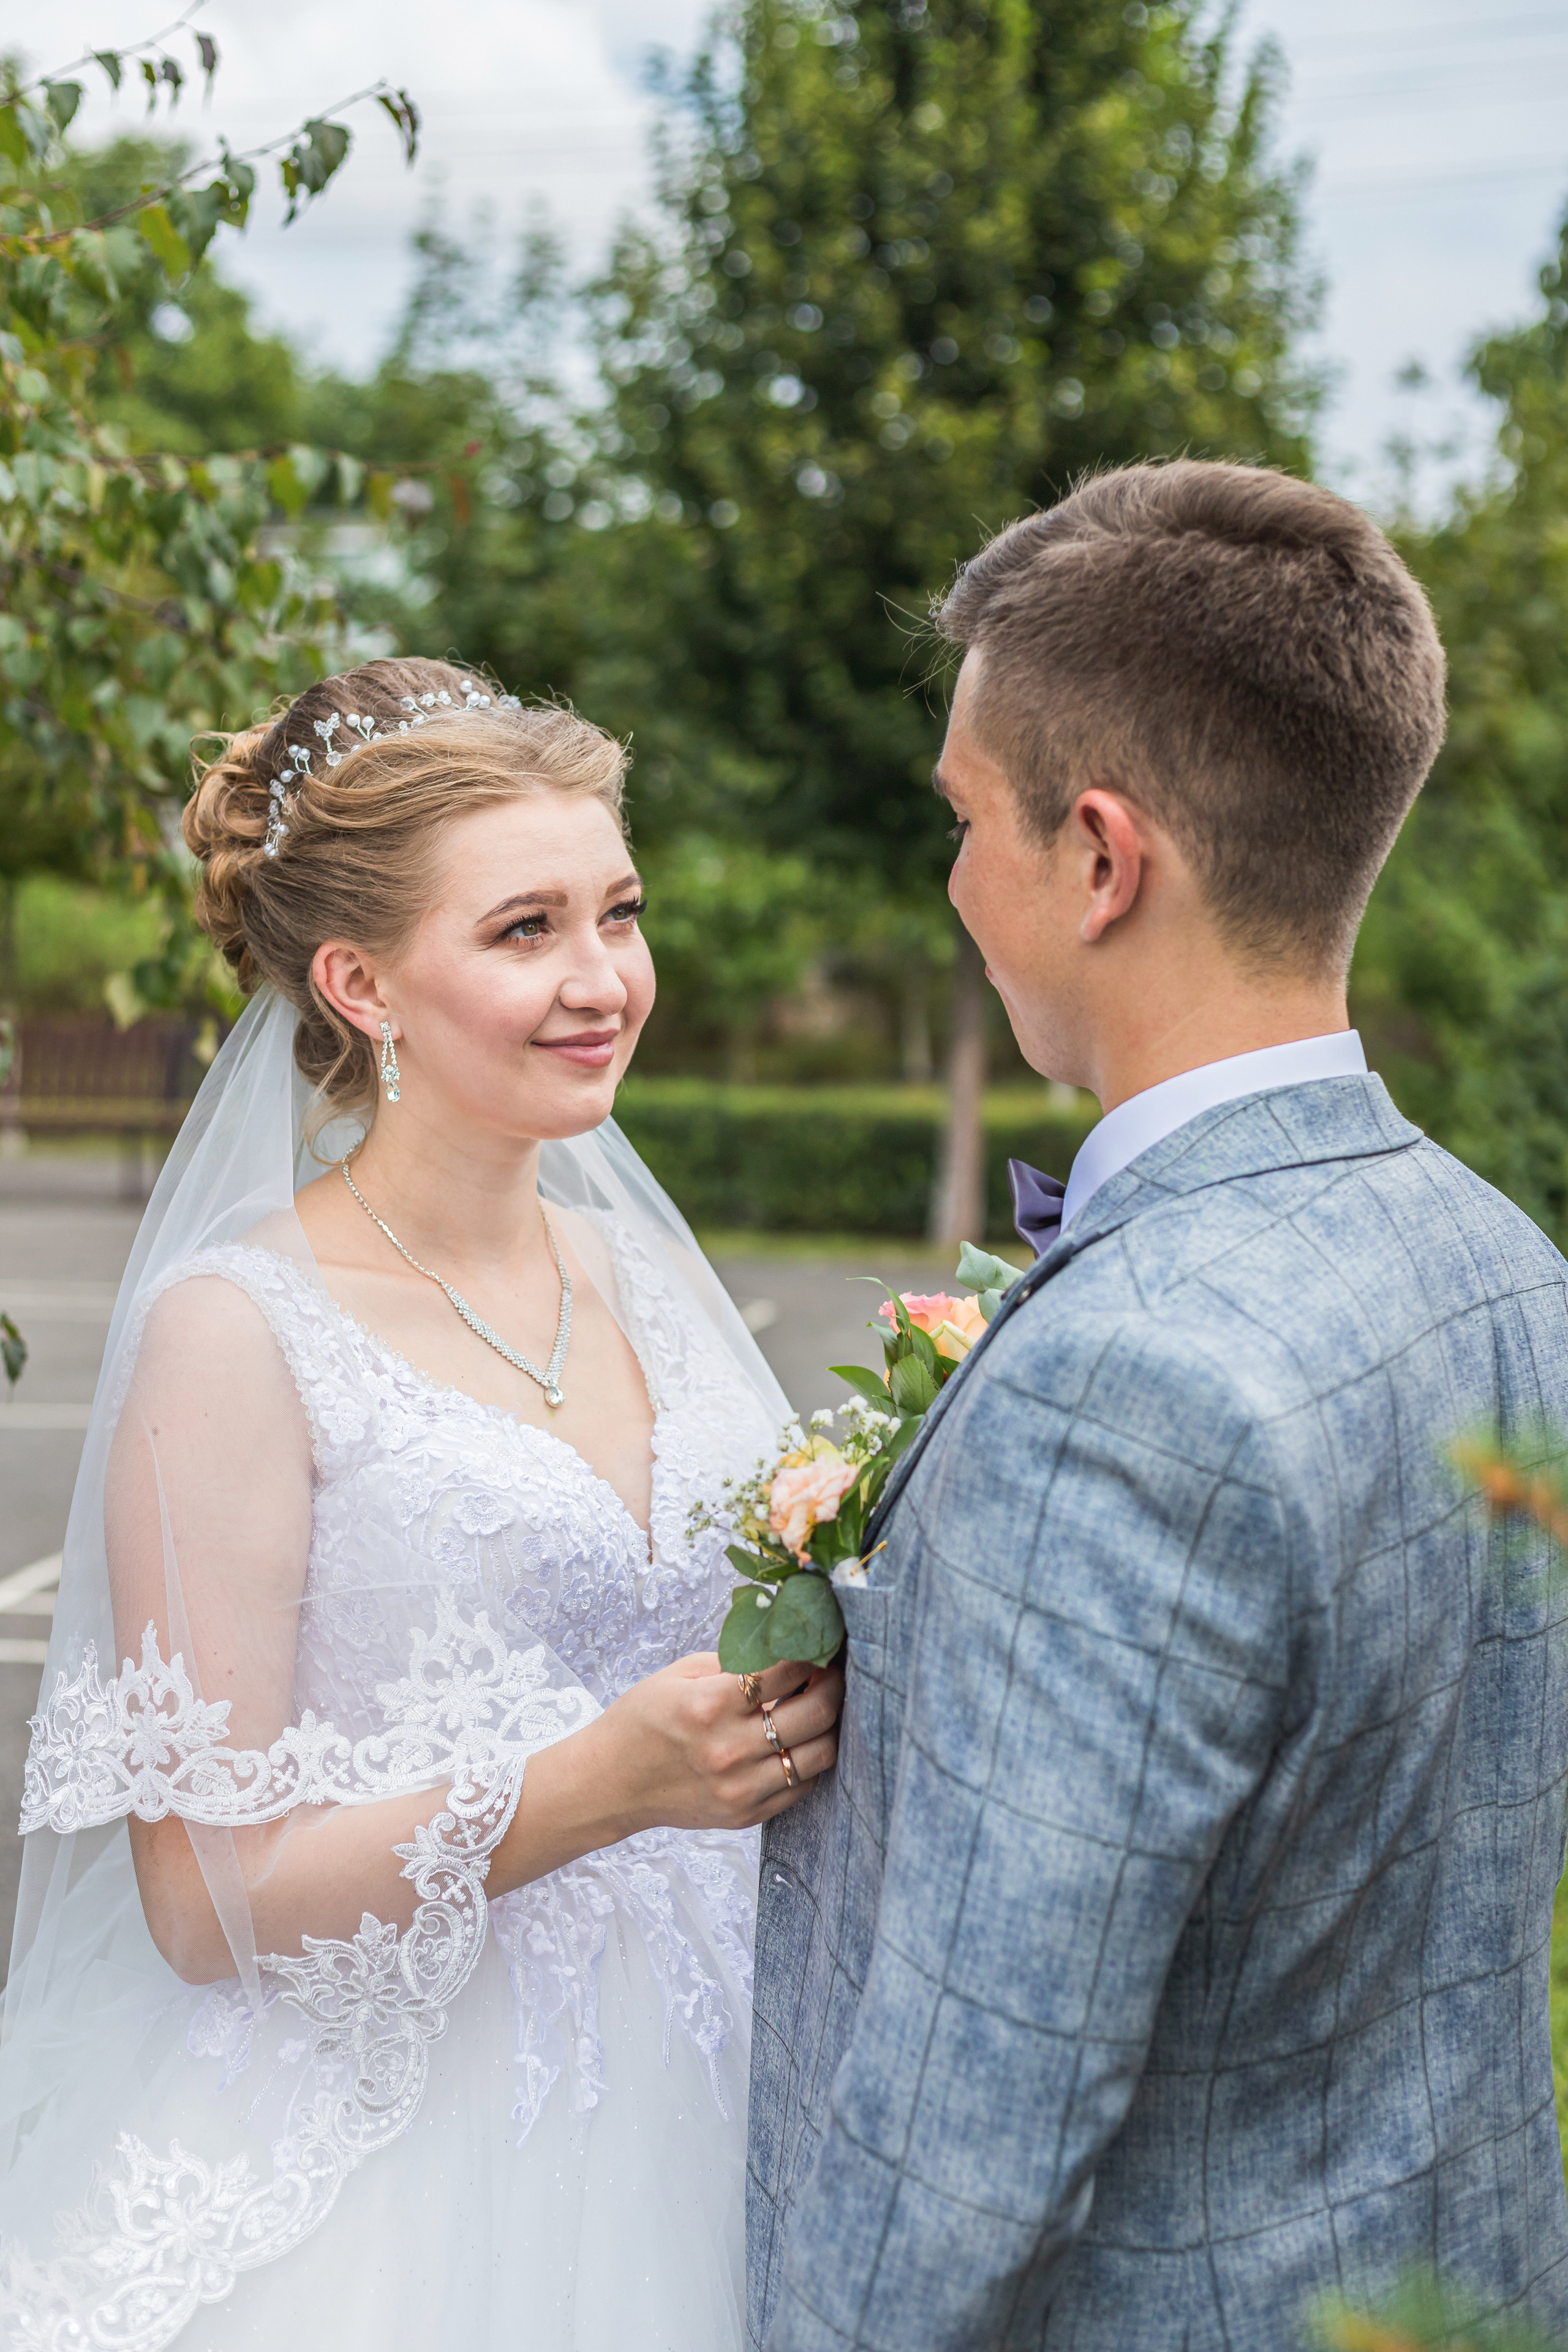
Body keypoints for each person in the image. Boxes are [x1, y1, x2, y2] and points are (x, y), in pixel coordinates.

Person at [747, 462, 1568, 2349]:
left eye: (964, 820)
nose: (951, 878)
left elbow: (967, 2148)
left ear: (1102, 858)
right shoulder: (1507, 1261)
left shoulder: (1125, 1393)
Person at [0, 658, 840, 2350]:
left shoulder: (645, 1280)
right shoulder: (239, 1331)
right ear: (360, 980)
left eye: (619, 911)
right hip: (403, 2162)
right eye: (525, 930)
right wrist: (599, 1784)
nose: (604, 978)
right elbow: (202, 1898)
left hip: (732, 2069)